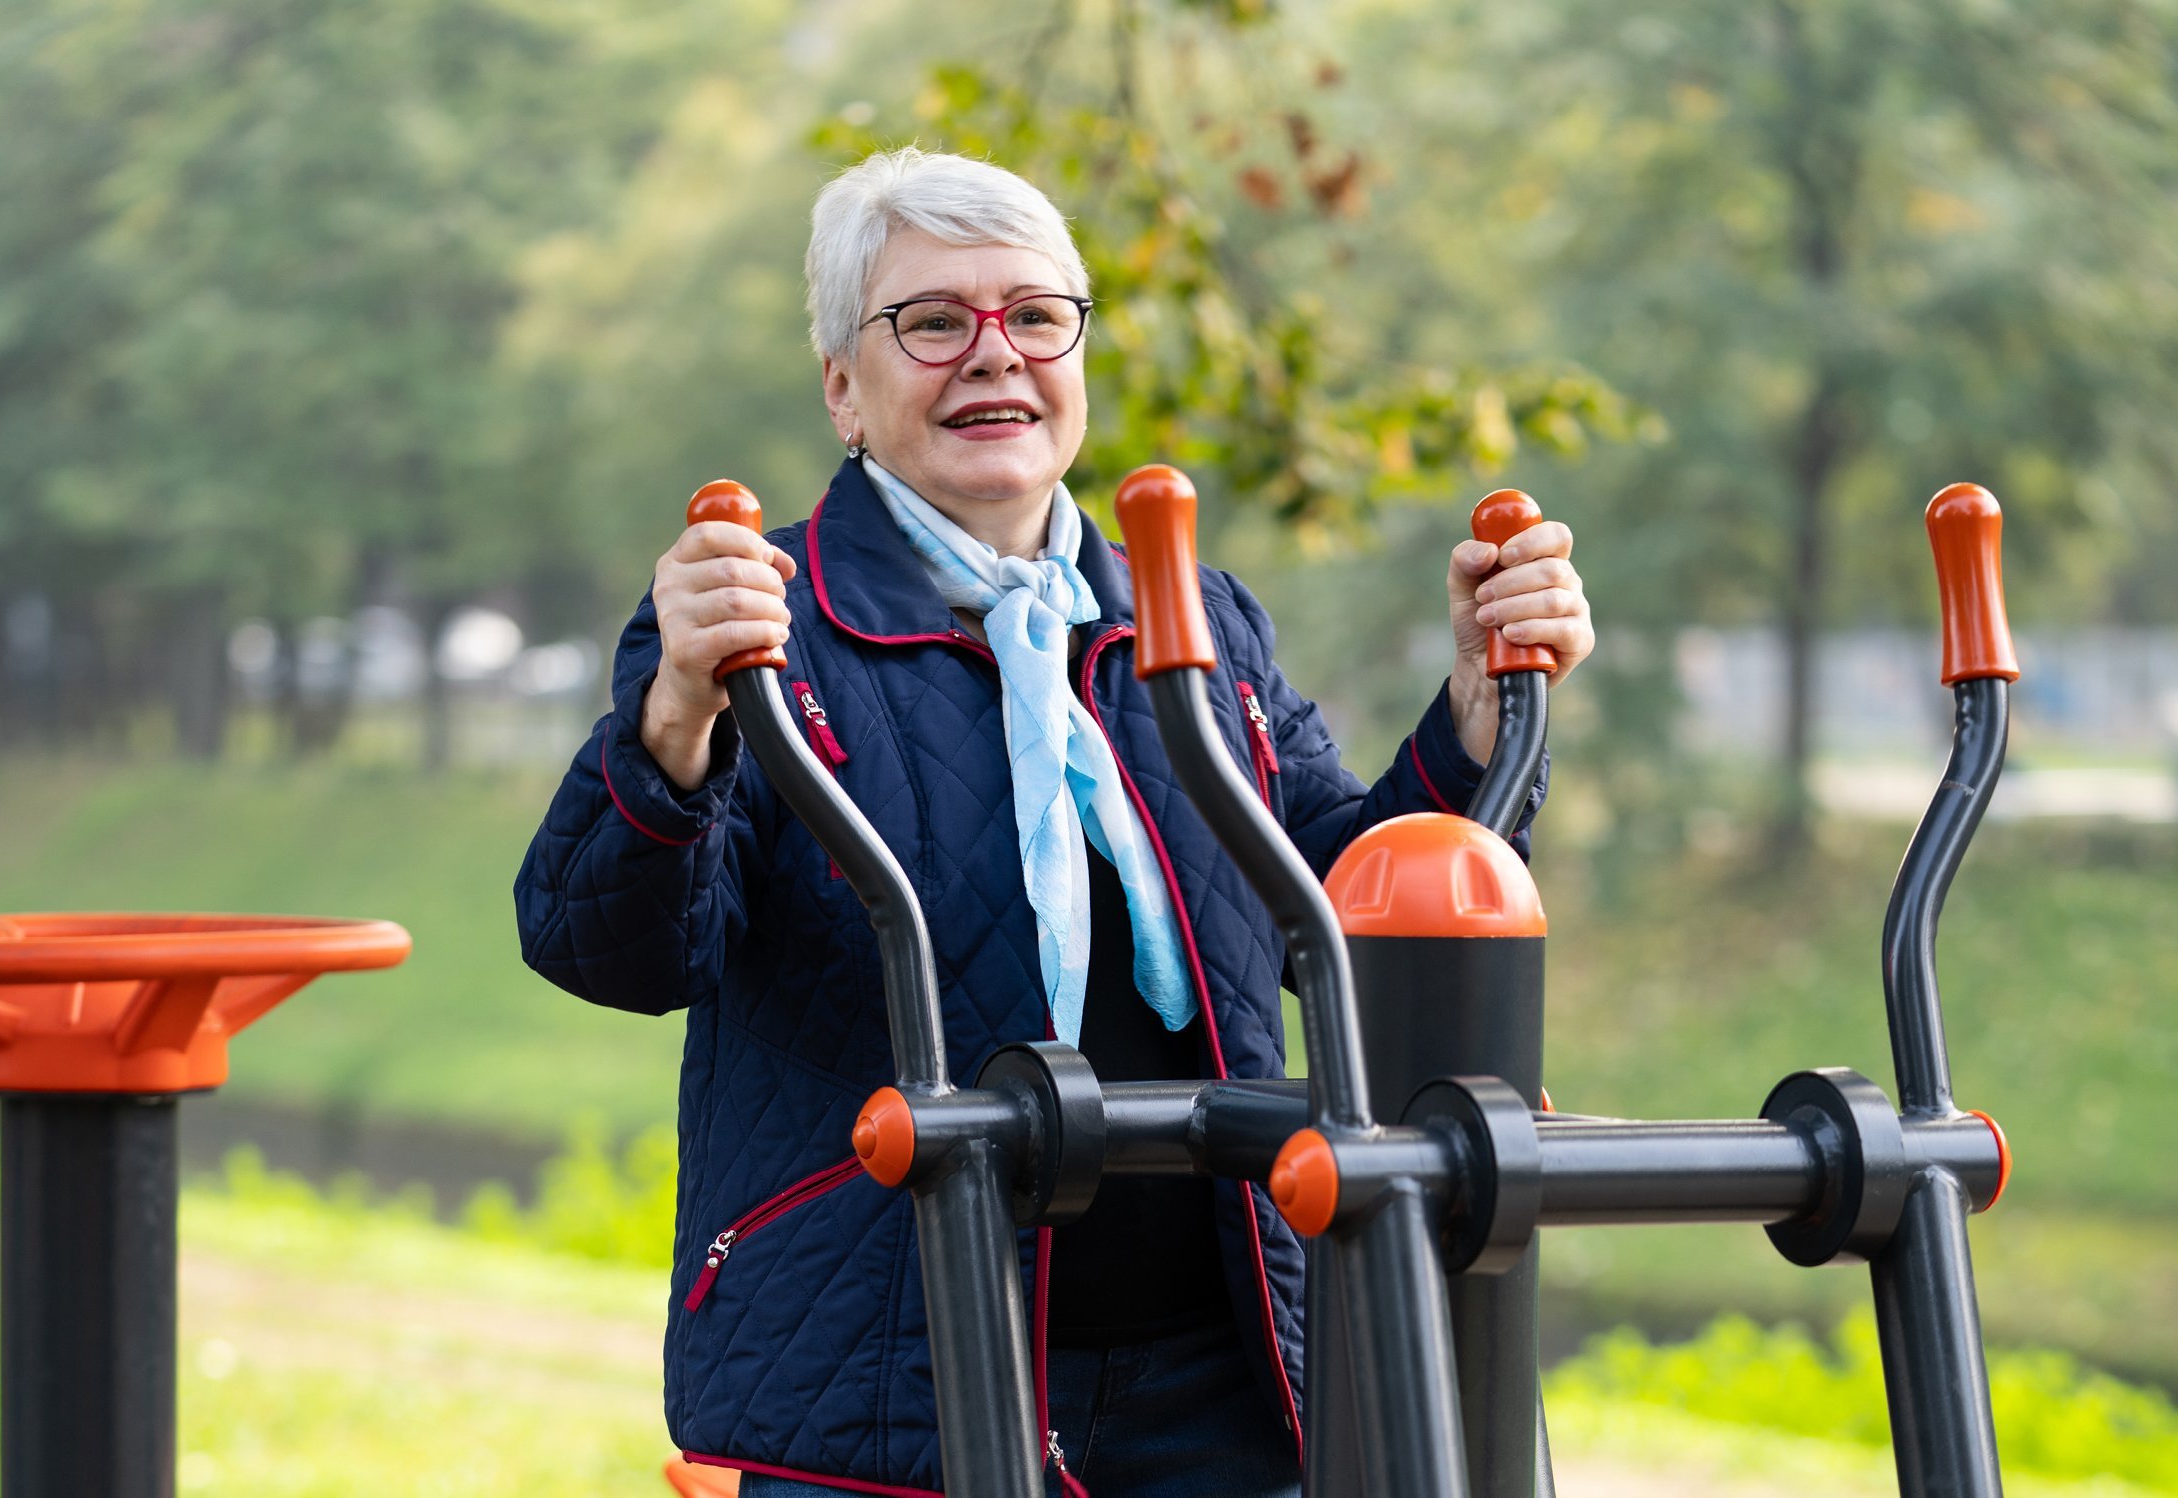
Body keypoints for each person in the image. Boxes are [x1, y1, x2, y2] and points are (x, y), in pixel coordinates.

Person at [515, 147, 1595, 1498]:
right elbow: (607, 947)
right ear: (844, 390)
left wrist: (1481, 715)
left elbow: (1340, 909)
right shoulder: (757, 634)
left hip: (1228, 1376)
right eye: (930, 321)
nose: (994, 355)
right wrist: (678, 710)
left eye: (1034, 316)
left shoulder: (1195, 621)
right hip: (890, 1379)